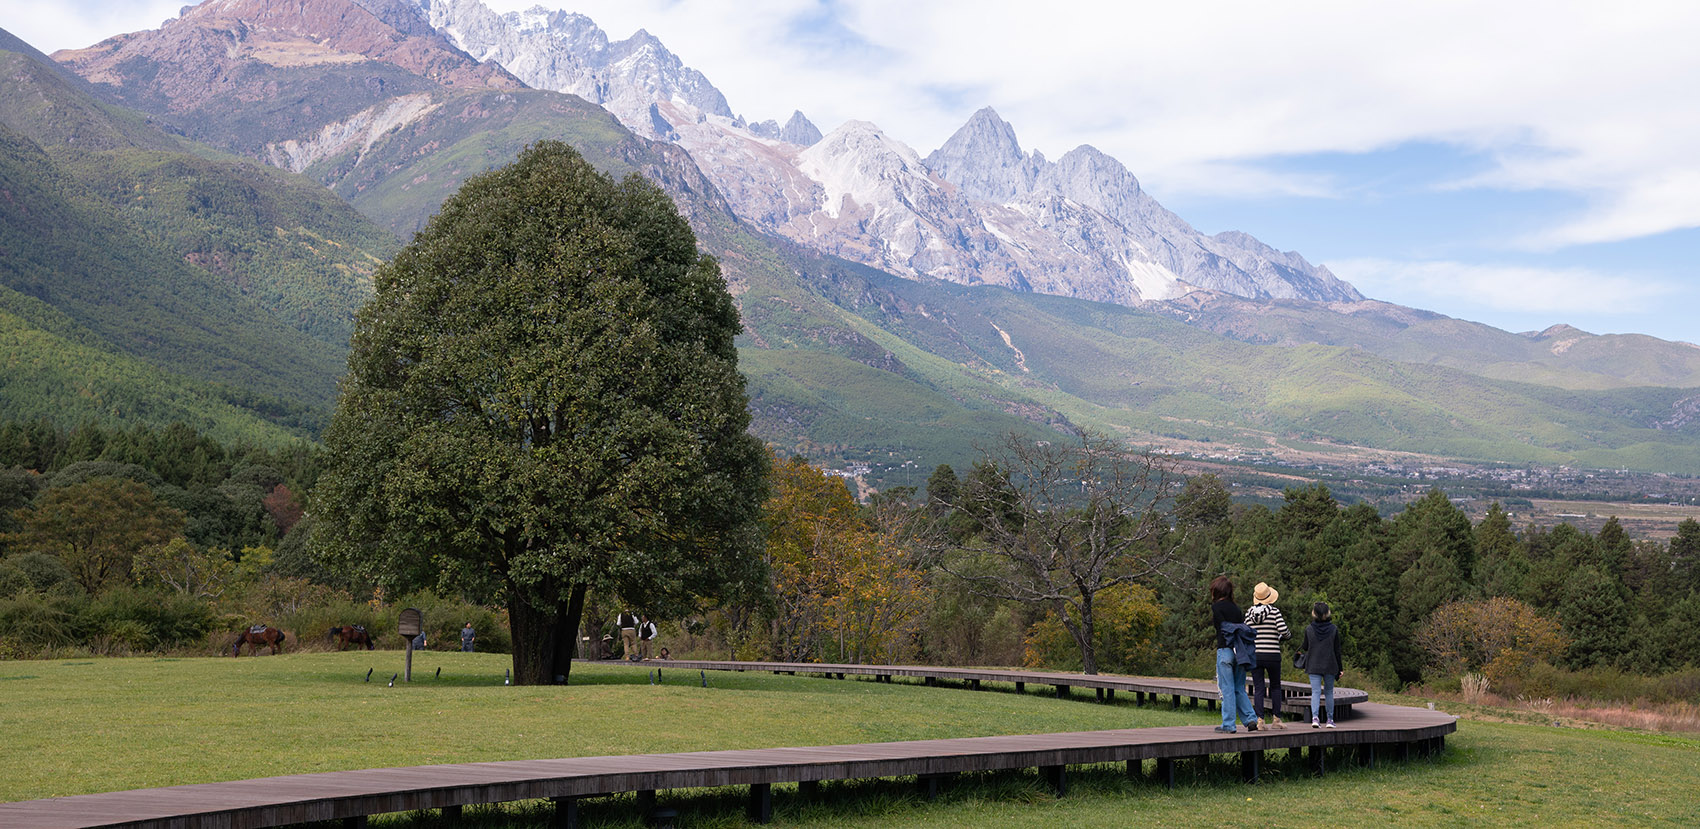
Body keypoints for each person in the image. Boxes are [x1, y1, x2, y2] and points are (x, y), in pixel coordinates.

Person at [1208, 575, 1259, 733]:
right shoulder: (1237, 609)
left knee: (1227, 689)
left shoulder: (1216, 608)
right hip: (1240, 652)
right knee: (1239, 688)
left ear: (1217, 591)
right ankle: (1251, 719)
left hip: (1225, 650)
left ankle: (1229, 724)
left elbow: (1220, 628)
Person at [1244, 582, 1291, 729]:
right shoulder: (1274, 612)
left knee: (1259, 688)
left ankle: (1260, 721)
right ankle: (1276, 720)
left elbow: (1245, 632)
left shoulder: (1249, 613)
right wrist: (1283, 636)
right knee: (1275, 687)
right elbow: (1284, 631)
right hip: (1272, 655)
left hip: (1256, 655)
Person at [1300, 601, 1344, 728]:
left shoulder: (1309, 629)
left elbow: (1305, 646)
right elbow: (1337, 651)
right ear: (1327, 613)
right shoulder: (1334, 629)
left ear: (1314, 613)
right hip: (1330, 664)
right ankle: (1330, 719)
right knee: (1329, 692)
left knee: (1316, 692)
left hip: (1313, 664)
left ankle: (1315, 718)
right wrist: (1340, 668)